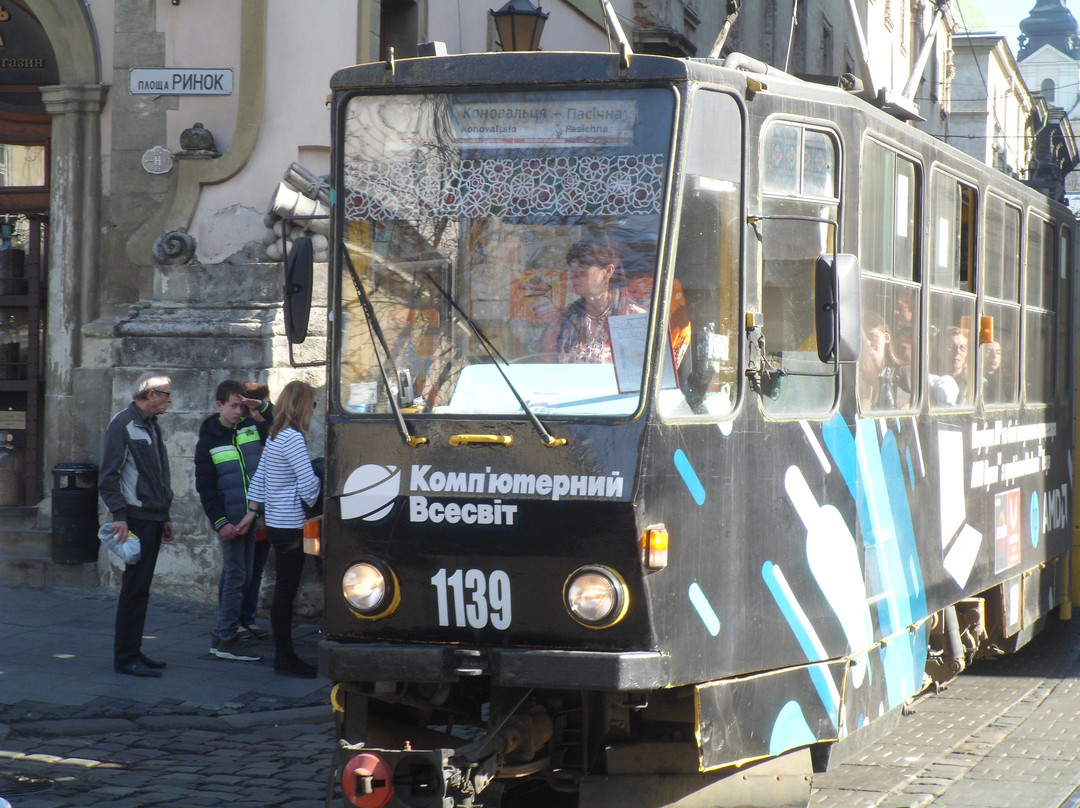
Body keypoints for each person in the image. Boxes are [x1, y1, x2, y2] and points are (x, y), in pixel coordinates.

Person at [99, 372, 175, 678]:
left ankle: (133, 651)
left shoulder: (151, 425)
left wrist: (166, 516)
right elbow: (108, 476)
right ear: (150, 395)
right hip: (137, 517)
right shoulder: (123, 424)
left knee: (141, 589)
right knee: (133, 589)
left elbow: (159, 475)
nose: (170, 399)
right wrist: (120, 515)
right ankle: (125, 657)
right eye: (166, 394)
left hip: (153, 516)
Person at [243, 380, 321, 678]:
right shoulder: (293, 438)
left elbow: (260, 477)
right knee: (285, 592)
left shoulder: (276, 435)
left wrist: (254, 511)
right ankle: (285, 657)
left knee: (283, 591)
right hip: (290, 525)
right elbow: (309, 489)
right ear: (302, 405)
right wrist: (319, 485)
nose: (313, 410)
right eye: (312, 404)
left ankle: (284, 655)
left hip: (276, 522)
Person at [194, 379, 273, 662]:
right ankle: (226, 636)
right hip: (231, 521)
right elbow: (206, 487)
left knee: (246, 575)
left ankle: (226, 633)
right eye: (234, 406)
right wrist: (220, 522)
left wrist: (260, 406)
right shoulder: (208, 441)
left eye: (242, 405)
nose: (239, 411)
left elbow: (281, 424)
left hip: (251, 517)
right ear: (219, 406)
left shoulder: (252, 428)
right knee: (236, 576)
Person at [544, 237, 646, 363]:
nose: (573, 274)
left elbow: (642, 374)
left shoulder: (634, 319)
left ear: (608, 271)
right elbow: (545, 370)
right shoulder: (563, 320)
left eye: (582, 268)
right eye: (572, 268)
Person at [239, 380, 273, 639]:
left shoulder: (265, 429)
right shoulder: (244, 430)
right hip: (247, 512)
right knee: (240, 571)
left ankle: (248, 617)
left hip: (265, 514)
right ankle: (236, 618)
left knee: (257, 569)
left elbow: (276, 419)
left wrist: (263, 407)